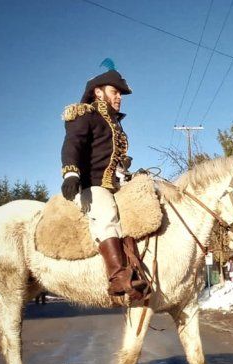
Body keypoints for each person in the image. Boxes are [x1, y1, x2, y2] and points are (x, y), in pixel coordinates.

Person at [60, 65, 146, 300]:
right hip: (89, 186)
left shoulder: (115, 124)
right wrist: (71, 173)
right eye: (114, 91)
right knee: (106, 210)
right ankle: (118, 277)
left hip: (112, 186)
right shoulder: (85, 115)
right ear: (98, 92)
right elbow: (73, 144)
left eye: (120, 93)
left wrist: (125, 171)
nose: (119, 97)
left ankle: (138, 269)